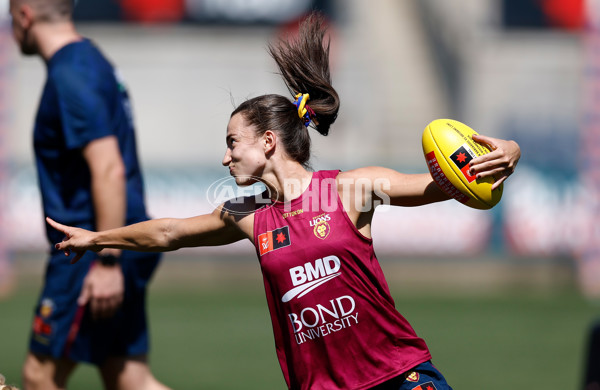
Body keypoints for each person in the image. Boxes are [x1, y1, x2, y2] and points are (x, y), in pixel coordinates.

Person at [47, 12, 521, 390]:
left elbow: (441, 185)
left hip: (399, 378)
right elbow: (168, 232)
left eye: (233, 142)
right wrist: (98, 238)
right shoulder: (248, 217)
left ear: (269, 141)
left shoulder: (349, 189)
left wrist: (509, 153)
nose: (225, 155)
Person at [9, 1, 168, 389]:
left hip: (89, 249)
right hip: (120, 239)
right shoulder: (91, 60)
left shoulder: (71, 74)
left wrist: (108, 259)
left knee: (39, 375)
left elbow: (108, 167)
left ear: (24, 16)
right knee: (128, 377)